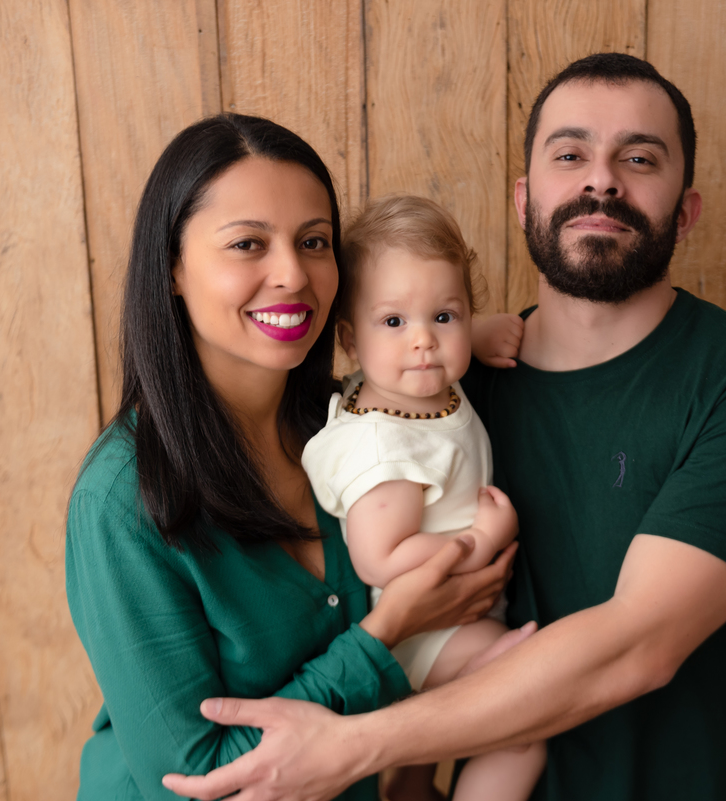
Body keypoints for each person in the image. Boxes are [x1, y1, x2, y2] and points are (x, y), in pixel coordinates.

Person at [163, 53, 726, 801]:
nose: (602, 180)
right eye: (569, 154)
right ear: (523, 199)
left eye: (639, 158)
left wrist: (352, 748)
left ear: (686, 210)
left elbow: (638, 646)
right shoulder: (440, 388)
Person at [65, 114, 515, 801]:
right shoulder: (120, 501)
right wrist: (390, 628)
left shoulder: (358, 421)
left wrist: (478, 332)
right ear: (173, 268)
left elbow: (424, 333)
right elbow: (196, 780)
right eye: (247, 243)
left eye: (313, 242)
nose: (293, 274)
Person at [300, 194, 545, 801]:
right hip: (426, 634)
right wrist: (480, 540)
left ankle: (408, 787)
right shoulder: (388, 450)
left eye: (444, 316)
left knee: (440, 740)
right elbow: (379, 558)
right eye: (394, 323)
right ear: (350, 340)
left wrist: (473, 334)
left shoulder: (400, 383)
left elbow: (423, 333)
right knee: (525, 713)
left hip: (453, 616)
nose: (423, 343)